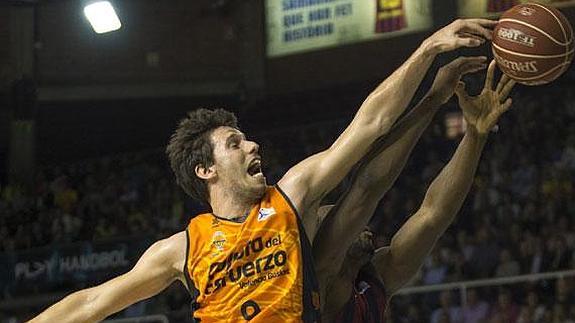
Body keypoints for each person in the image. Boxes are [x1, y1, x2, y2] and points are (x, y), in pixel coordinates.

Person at [28, 18, 495, 323]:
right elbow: (90, 303)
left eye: (246, 137)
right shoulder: (181, 249)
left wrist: (428, 49)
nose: (252, 144)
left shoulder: (289, 196)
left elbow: (369, 125)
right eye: (234, 143)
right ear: (206, 169)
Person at [313, 59, 515, 321]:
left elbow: (433, 215)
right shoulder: (316, 284)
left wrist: (474, 136)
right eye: (335, 216)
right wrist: (432, 99)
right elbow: (365, 188)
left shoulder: (377, 277)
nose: (359, 222)